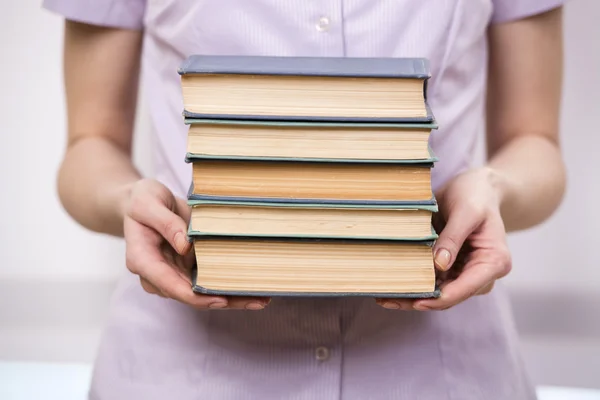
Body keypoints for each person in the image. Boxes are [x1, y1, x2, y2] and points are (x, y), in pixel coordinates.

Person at [43, 1, 567, 399]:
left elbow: (535, 141)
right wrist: (126, 200)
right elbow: (91, 146)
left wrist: (495, 189)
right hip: (187, 367)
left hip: (441, 365)